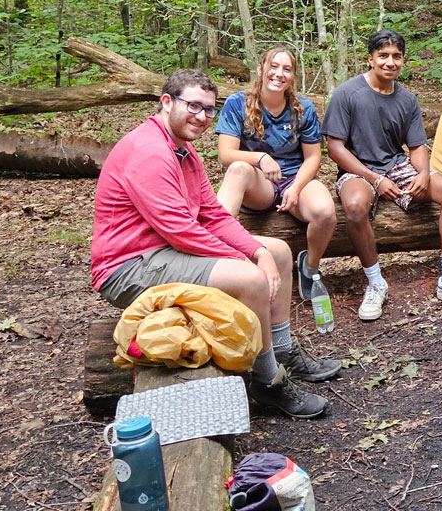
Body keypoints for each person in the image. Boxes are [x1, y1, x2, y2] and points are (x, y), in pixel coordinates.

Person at [91, 69, 338, 419]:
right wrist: (248, 260)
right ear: (166, 102)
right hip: (129, 266)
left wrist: (259, 251)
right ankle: (267, 382)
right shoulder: (148, 151)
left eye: (209, 110)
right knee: (251, 277)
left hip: (164, 249)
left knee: (279, 252)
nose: (202, 116)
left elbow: (213, 215)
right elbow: (181, 231)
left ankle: (280, 350)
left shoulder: (183, 152)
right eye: (193, 105)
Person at [324, 30, 442, 320]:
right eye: (383, 56)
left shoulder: (407, 100)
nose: (390, 62)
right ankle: (376, 282)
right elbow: (335, 148)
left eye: (396, 56)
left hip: (396, 165)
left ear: (403, 60)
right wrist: (375, 179)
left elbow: (416, 146)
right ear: (370, 59)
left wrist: (423, 173)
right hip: (358, 169)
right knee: (354, 207)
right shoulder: (347, 94)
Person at [215, 46, 337, 302]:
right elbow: (226, 155)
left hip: (295, 177)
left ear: (292, 76)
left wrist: (295, 188)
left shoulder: (302, 108)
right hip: (259, 183)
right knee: (238, 168)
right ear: (261, 69)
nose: (278, 74)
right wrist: (260, 157)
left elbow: (313, 157)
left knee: (325, 213)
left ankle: (310, 266)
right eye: (273, 66)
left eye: (286, 69)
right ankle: (216, 252)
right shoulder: (237, 104)